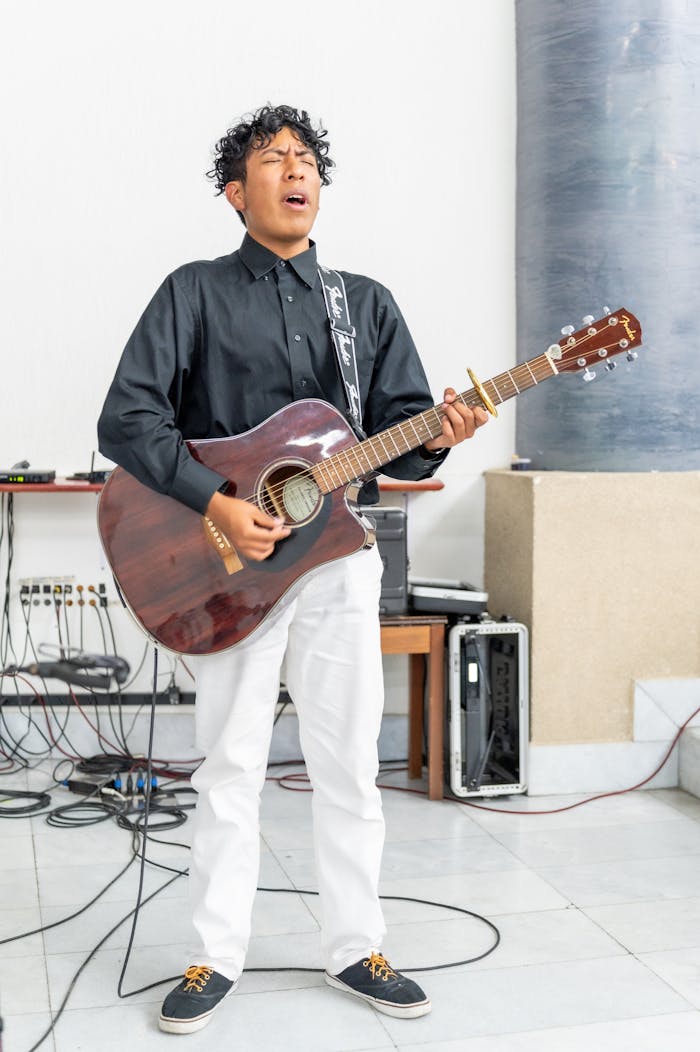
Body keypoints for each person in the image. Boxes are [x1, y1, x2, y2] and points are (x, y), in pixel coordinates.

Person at [98, 103, 488, 1035]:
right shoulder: (191, 292)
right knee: (229, 766)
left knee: (348, 765)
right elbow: (128, 421)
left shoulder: (366, 306)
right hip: (227, 571)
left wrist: (446, 430)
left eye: (306, 157)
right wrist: (216, 502)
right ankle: (213, 955)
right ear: (237, 193)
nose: (294, 168)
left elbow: (402, 441)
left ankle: (356, 945)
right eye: (272, 159)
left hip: (336, 567)